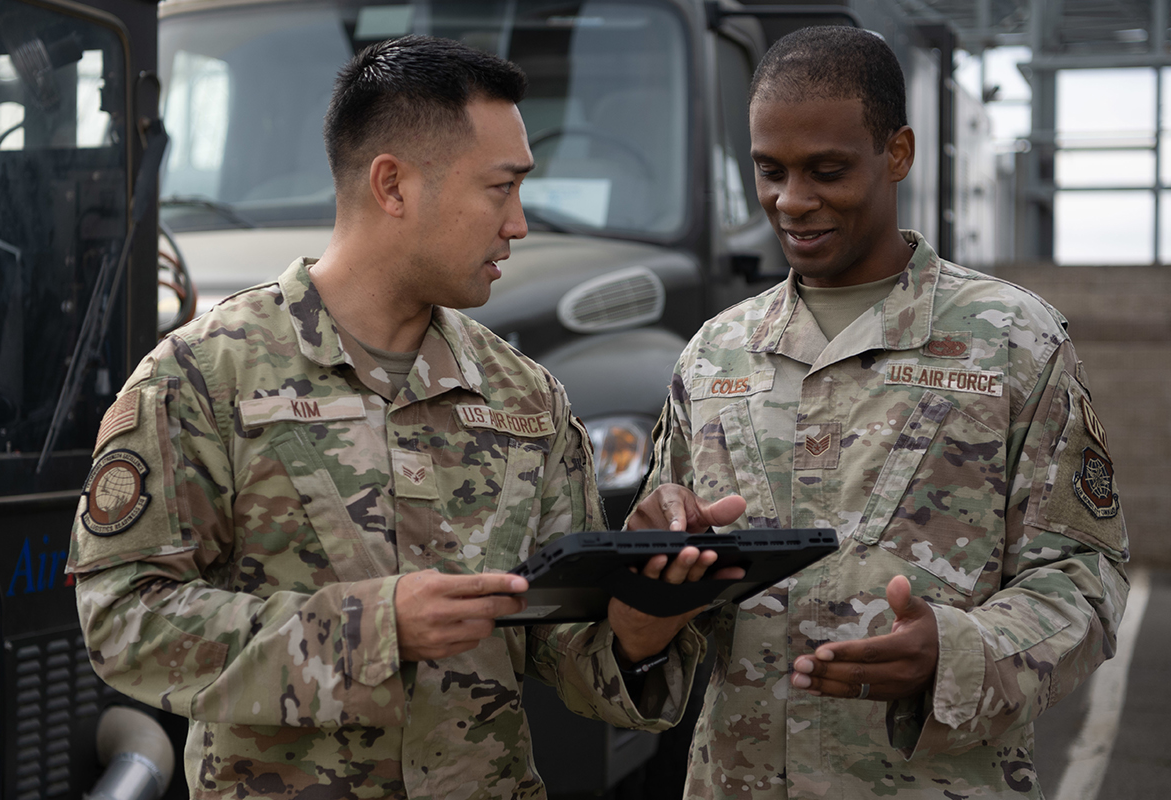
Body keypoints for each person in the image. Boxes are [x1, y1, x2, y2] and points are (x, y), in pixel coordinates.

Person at [68, 35, 740, 799]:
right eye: (500, 188)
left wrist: (646, 608)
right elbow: (124, 624)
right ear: (393, 185)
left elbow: (568, 650)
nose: (518, 224)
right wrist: (371, 630)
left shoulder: (526, 399)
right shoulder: (199, 378)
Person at [630, 26, 1130, 799]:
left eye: (827, 171)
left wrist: (960, 653)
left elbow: (1085, 576)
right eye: (770, 171)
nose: (792, 202)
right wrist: (653, 561)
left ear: (897, 154)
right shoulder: (715, 355)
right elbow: (665, 611)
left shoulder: (1013, 341)